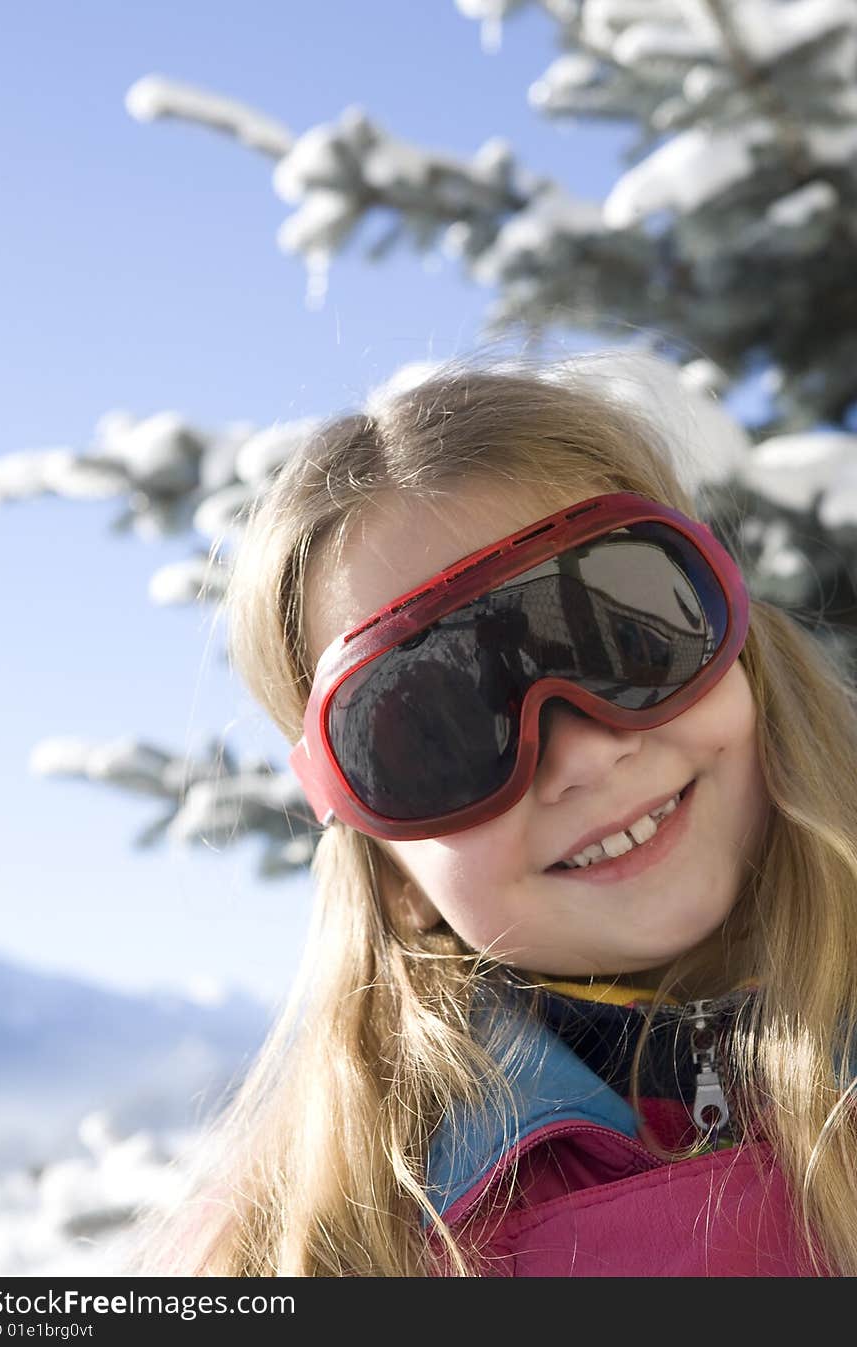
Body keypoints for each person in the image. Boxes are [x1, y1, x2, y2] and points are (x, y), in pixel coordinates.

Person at [130, 353, 857, 1277]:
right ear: (391, 869)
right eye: (436, 731)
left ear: (735, 638)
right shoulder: (329, 1255)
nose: (583, 755)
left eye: (628, 635)